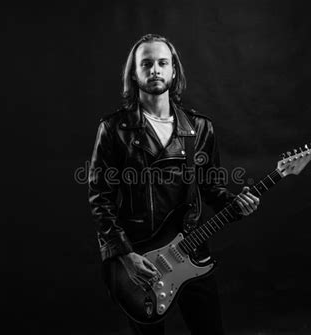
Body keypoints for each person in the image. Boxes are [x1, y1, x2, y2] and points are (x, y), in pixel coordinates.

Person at [88, 34, 260, 335]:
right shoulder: (114, 129)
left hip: (192, 250)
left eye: (162, 63)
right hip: (140, 258)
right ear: (134, 73)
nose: (155, 69)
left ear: (173, 71)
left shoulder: (200, 128)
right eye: (147, 63)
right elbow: (100, 199)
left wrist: (236, 204)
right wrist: (126, 256)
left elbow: (210, 188)